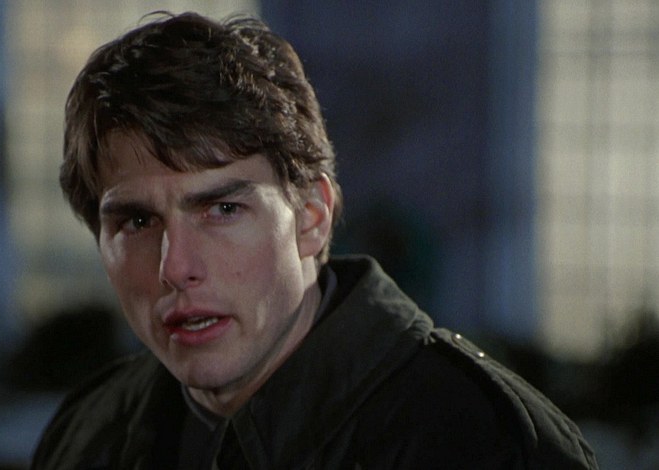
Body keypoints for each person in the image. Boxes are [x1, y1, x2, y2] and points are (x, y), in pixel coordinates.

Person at [32, 12, 598, 469]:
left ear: (312, 217)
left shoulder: (483, 443)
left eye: (223, 209)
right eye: (137, 223)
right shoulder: (88, 434)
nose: (174, 267)